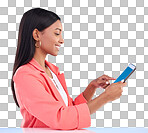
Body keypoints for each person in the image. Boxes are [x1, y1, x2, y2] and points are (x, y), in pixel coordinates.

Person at [11, 8, 127, 130]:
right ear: (36, 35)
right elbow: (62, 119)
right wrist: (106, 97)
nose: (62, 40)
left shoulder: (51, 71)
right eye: (57, 33)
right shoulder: (25, 75)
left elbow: (69, 109)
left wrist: (92, 87)